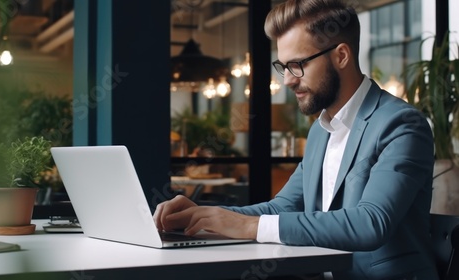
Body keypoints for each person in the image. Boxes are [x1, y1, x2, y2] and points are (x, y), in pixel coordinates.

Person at [154, 0, 439, 279]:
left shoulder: (400, 124)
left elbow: (370, 223)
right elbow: (282, 208)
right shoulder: (320, 130)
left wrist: (250, 227)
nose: (287, 80)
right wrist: (204, 215)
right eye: (283, 66)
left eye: (297, 64)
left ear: (341, 56)